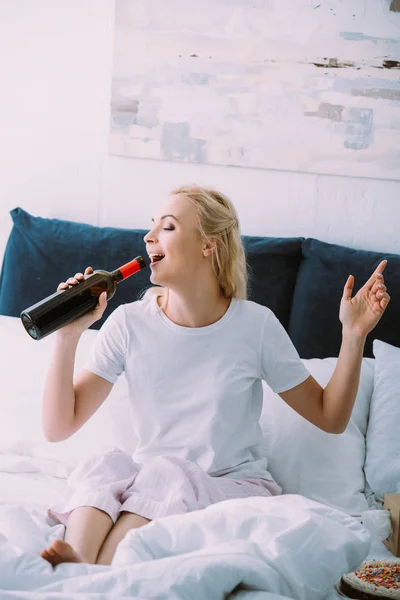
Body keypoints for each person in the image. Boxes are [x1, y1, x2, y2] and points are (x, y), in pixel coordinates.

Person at [40, 185, 390, 568]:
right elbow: (59, 427)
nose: (149, 236)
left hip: (232, 489)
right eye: (151, 225)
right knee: (106, 463)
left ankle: (98, 571)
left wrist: (353, 335)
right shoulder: (128, 323)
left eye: (168, 227)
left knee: (166, 473)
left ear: (209, 245)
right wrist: (68, 335)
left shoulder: (255, 326)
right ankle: (78, 556)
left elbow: (330, 416)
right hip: (153, 483)